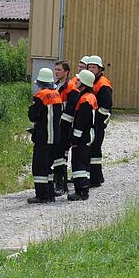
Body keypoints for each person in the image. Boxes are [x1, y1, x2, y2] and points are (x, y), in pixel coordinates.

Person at [28, 67, 62, 204]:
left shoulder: (40, 97)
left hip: (43, 137)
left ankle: (42, 195)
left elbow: (32, 116)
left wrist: (31, 107)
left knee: (39, 166)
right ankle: (50, 193)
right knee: (48, 166)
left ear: (40, 83)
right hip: (55, 138)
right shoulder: (57, 95)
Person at [67, 70, 99, 202]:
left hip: (82, 138)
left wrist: (75, 138)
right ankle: (83, 189)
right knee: (84, 164)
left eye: (79, 80)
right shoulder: (90, 97)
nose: (77, 82)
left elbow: (81, 123)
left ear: (84, 83)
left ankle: (81, 192)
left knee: (79, 164)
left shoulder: (85, 99)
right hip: (86, 137)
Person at [84, 55, 113, 187]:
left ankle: (95, 179)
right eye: (89, 67)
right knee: (91, 149)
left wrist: (97, 121)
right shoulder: (92, 81)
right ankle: (94, 176)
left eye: (93, 67)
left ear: (100, 69)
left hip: (98, 123)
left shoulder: (103, 84)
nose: (91, 69)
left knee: (94, 150)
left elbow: (106, 106)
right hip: (92, 121)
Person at [52, 61, 79, 196]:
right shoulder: (55, 86)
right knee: (56, 156)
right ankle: (57, 182)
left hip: (64, 128)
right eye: (55, 70)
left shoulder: (71, 88)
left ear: (66, 71)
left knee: (61, 156)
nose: (56, 72)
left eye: (59, 70)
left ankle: (61, 185)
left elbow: (70, 111)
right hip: (54, 127)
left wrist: (62, 126)